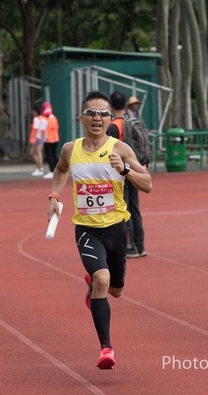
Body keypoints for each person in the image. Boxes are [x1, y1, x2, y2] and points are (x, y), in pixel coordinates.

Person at [47, 91, 152, 369]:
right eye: (91, 113)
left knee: (115, 290)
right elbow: (60, 171)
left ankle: (94, 285)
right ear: (81, 118)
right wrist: (54, 198)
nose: (97, 118)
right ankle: (106, 348)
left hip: (117, 228)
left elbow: (148, 183)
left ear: (110, 118)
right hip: (86, 229)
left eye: (103, 113)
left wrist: (126, 170)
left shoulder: (120, 149)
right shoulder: (71, 149)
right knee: (102, 279)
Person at [107, 91, 147, 258]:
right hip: (135, 168)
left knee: (124, 208)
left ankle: (130, 246)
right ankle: (140, 245)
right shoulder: (133, 121)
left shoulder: (113, 126)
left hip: (121, 171)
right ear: (125, 105)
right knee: (135, 208)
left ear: (110, 105)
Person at [41, 101, 59, 179]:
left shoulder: (44, 119)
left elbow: (43, 131)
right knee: (54, 155)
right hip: (55, 139)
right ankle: (57, 171)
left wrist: (41, 142)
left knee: (49, 156)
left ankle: (52, 171)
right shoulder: (54, 118)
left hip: (48, 140)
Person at [29, 103, 46, 176]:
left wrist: (34, 139)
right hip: (39, 138)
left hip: (36, 138)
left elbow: (35, 130)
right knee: (38, 153)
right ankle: (40, 167)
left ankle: (40, 168)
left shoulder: (36, 119)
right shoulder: (42, 119)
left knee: (34, 153)